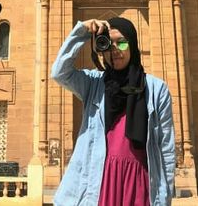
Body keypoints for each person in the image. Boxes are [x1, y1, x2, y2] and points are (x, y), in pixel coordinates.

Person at [51, 17, 175, 206]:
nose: (115, 50)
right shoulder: (94, 83)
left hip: (139, 181)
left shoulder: (157, 89)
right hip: (100, 180)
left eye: (122, 42)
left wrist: (165, 197)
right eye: (108, 44)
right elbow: (59, 73)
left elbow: (165, 147)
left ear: (132, 45)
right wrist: (82, 32)